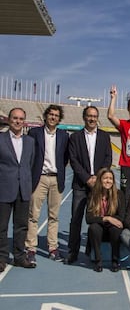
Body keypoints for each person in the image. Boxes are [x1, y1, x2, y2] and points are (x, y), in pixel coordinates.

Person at [65, 106, 112, 265]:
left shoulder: (105, 137)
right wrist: (87, 178)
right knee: (76, 219)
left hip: (99, 186)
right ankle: (72, 252)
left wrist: (97, 179)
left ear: (97, 118)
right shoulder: (75, 137)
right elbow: (74, 160)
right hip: (80, 184)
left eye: (94, 116)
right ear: (84, 117)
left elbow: (108, 159)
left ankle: (92, 250)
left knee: (96, 220)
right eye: (89, 116)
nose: (92, 119)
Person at [26, 104, 69, 265]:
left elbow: (65, 158)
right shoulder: (34, 133)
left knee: (54, 216)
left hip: (56, 178)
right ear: (45, 116)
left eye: (56, 115)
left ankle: (53, 247)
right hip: (39, 178)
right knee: (33, 215)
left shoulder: (64, 135)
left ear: (59, 119)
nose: (53, 117)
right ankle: (31, 247)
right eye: (51, 114)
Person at [0, 108, 36, 271]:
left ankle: (20, 257)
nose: (18, 121)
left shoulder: (29, 142)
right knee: (2, 226)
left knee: (21, 226)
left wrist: (28, 185)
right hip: (4, 188)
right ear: (9, 120)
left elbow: (31, 164)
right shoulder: (1, 139)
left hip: (23, 189)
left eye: (21, 119)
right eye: (15, 118)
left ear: (24, 121)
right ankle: (2, 258)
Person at [85, 168, 125, 272]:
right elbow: (88, 218)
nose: (108, 181)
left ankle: (115, 260)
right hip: (100, 227)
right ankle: (98, 261)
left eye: (110, 178)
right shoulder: (93, 195)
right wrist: (106, 218)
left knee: (115, 229)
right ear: (100, 180)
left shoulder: (119, 194)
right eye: (105, 178)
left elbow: (121, 216)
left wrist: (111, 220)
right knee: (94, 228)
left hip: (111, 228)